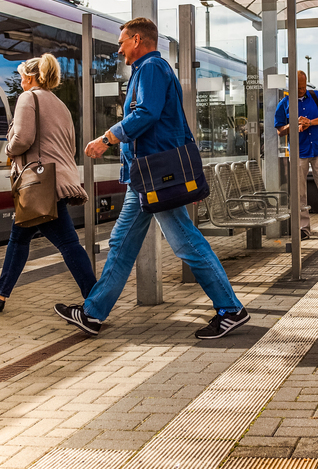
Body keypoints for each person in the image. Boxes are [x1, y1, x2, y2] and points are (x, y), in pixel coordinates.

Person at [60, 18, 249, 340]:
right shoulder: (147, 70)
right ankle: (92, 314)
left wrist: (107, 138)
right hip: (144, 176)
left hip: (158, 174)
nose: (119, 49)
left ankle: (230, 309)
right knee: (121, 245)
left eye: (122, 42)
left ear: (137, 40)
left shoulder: (151, 69)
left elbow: (147, 113)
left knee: (186, 242)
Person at [0, 55, 96, 313]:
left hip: (41, 186)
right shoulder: (60, 105)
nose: (20, 82)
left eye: (21, 77)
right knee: (20, 237)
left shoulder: (28, 98)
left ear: (30, 78)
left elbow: (23, 138)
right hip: (58, 180)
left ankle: (96, 300)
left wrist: (8, 148)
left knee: (68, 244)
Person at [274, 70, 318, 240]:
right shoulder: (284, 104)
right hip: (298, 151)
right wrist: (293, 124)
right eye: (298, 88)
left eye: (303, 87)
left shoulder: (316, 96)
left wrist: (310, 122)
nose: (301, 90)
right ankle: (303, 228)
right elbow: (280, 130)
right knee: (299, 192)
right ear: (291, 86)